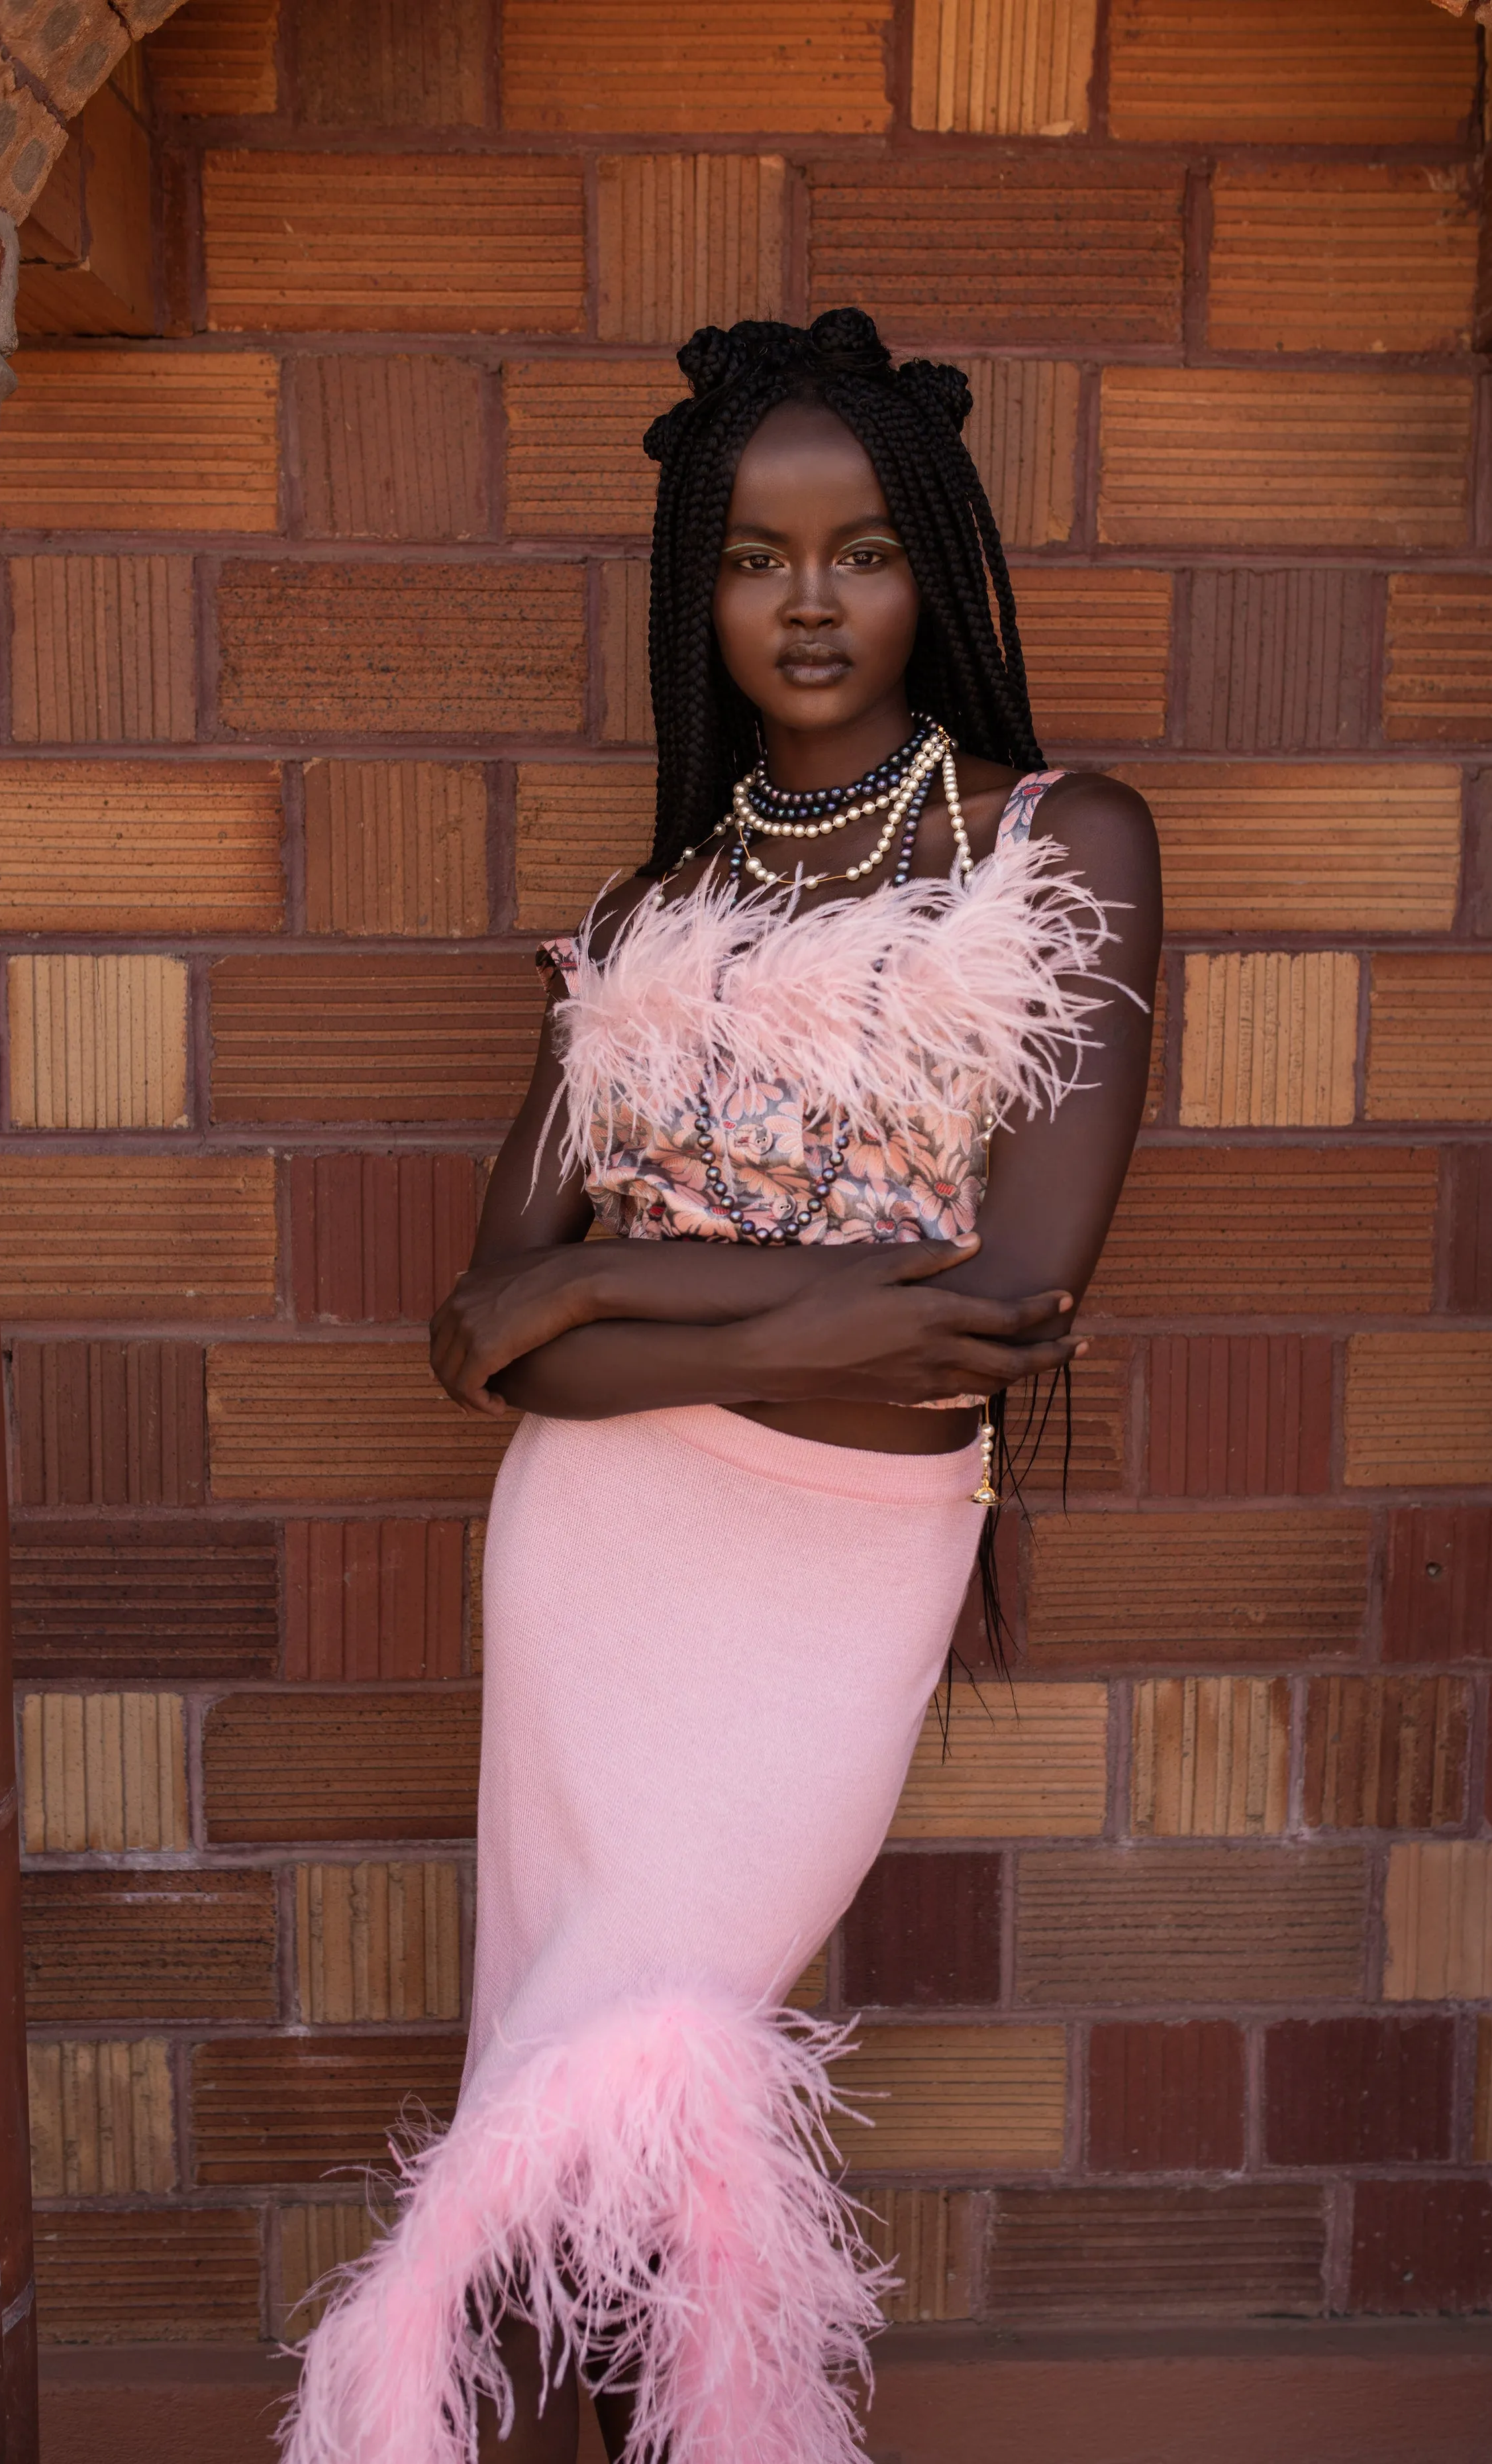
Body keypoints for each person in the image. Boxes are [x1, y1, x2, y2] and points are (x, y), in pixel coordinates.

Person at [280, 308, 1162, 2464]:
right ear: (701, 591)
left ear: (933, 565)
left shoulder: (1061, 847)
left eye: (862, 550)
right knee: (602, 2111)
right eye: (757, 557)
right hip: (598, 1570)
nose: (808, 601)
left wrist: (628, 1304)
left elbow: (1011, 1301)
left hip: (833, 1580)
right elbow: (482, 1324)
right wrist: (821, 1308)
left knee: (640, 2045)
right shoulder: (650, 916)